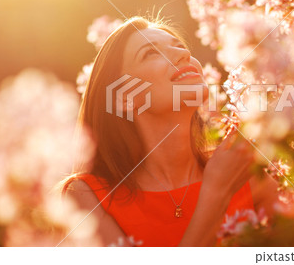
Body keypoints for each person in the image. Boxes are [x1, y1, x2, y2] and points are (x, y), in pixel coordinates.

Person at [61, 16, 278, 246]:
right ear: (125, 97)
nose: (184, 55)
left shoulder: (246, 172)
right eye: (151, 53)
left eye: (179, 47)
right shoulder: (87, 196)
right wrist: (216, 193)